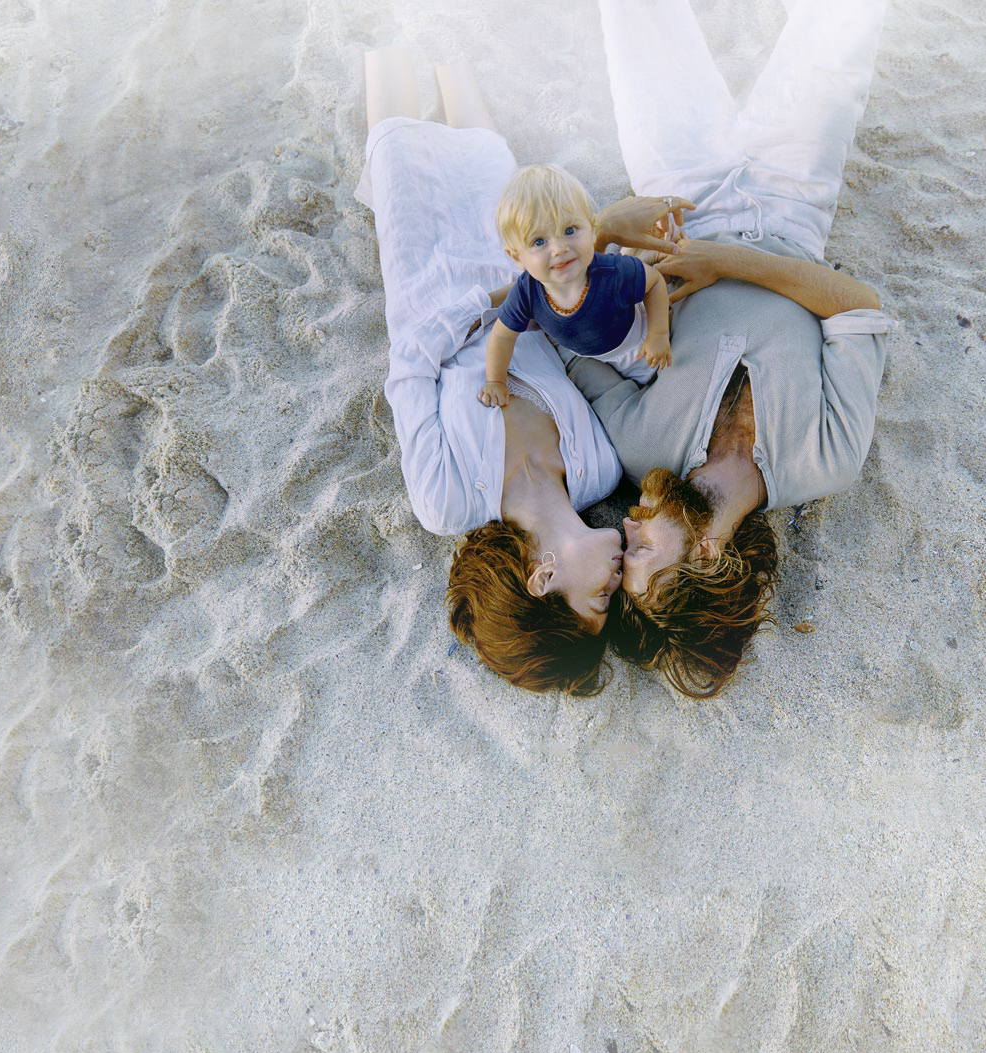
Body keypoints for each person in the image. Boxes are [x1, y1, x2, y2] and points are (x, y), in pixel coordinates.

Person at [574, 0, 896, 697]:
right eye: (642, 551)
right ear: (710, 556)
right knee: (847, 22)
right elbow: (857, 308)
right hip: (794, 198)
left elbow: (571, 339)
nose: (625, 525)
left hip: (675, 194)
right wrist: (727, 262)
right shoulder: (825, 461)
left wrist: (608, 245)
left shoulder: (639, 448)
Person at [357, 51, 657, 694]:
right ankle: (453, 46)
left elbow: (408, 368)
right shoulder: (599, 468)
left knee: (394, 143)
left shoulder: (449, 502)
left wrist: (494, 298)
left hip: (433, 283)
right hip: (521, 268)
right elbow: (577, 342)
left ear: (543, 579)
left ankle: (390, 42)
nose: (616, 586)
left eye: (599, 601)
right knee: (485, 145)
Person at [481, 164, 671, 408]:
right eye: (539, 241)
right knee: (603, 398)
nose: (559, 248)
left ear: (592, 231)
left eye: (569, 230)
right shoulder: (526, 292)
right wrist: (495, 381)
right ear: (517, 257)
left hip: (638, 340)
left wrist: (658, 334)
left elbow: (654, 283)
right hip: (591, 357)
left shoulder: (611, 272)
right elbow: (502, 336)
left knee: (663, 370)